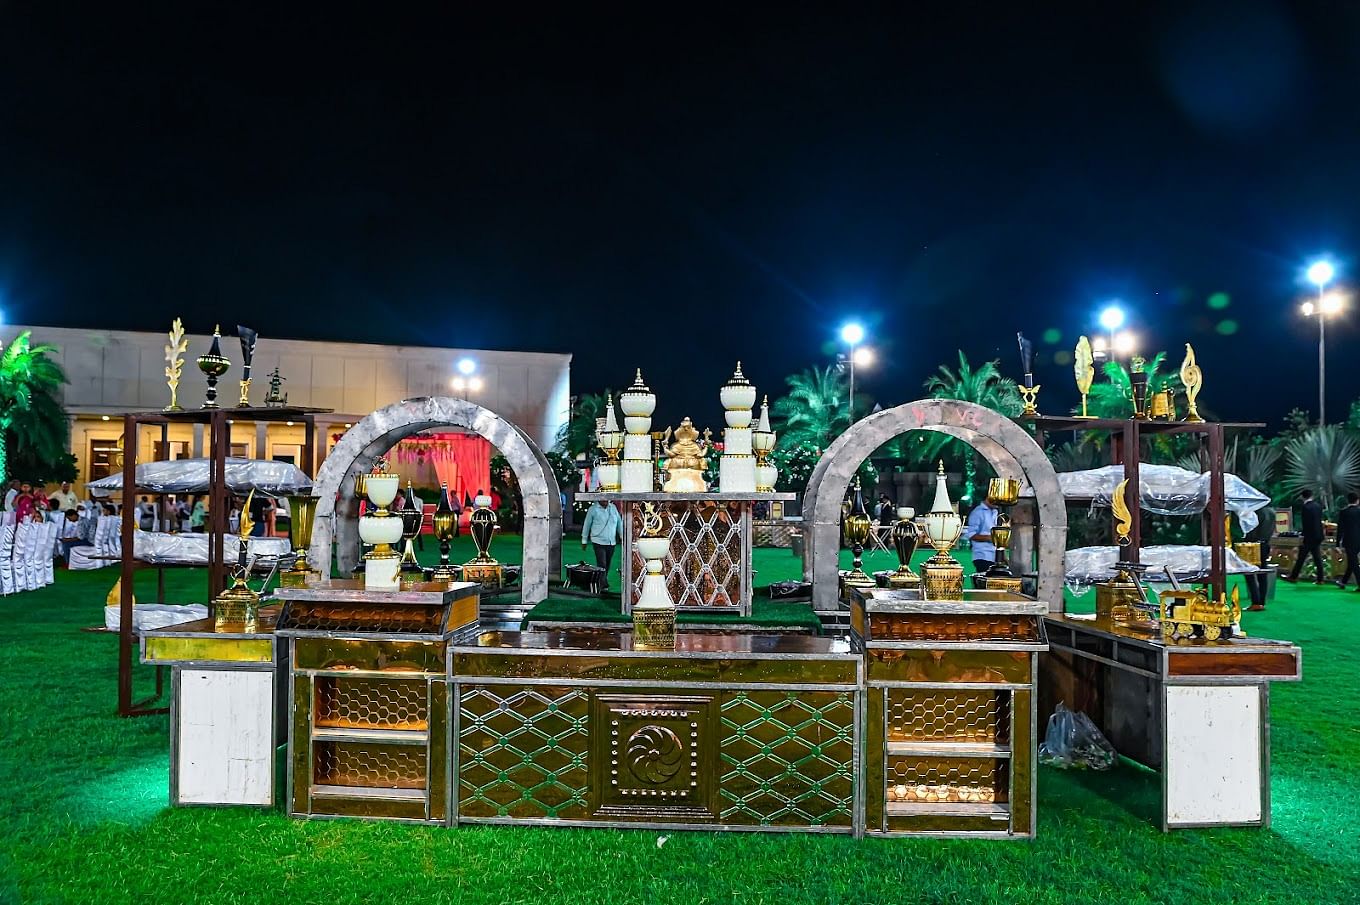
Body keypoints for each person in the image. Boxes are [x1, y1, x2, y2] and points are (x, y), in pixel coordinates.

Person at [1283, 489, 1326, 584]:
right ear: (1312, 496)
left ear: (1302, 497)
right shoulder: (1318, 506)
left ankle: (1293, 577)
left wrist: (1303, 535)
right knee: (1317, 558)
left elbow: (1306, 524)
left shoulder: (1305, 507)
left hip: (1309, 536)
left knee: (1301, 557)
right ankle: (1320, 578)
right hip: (1318, 535)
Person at [580, 499, 623, 590]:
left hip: (611, 542)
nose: (605, 500)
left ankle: (600, 580)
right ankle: (603, 584)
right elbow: (587, 524)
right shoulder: (593, 509)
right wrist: (584, 540)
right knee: (602, 563)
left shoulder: (613, 508)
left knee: (607, 564)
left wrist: (622, 535)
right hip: (598, 541)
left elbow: (619, 522)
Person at [963, 493, 1000, 573]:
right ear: (988, 498)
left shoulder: (995, 512)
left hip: (995, 556)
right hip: (982, 556)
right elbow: (971, 535)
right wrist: (991, 538)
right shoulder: (977, 512)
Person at [1335, 493, 1360, 591]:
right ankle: (1343, 581)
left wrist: (1337, 544)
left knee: (1353, 562)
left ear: (1348, 500)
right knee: (1352, 561)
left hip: (1349, 540)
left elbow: (1340, 529)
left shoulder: (1344, 512)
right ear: (1357, 500)